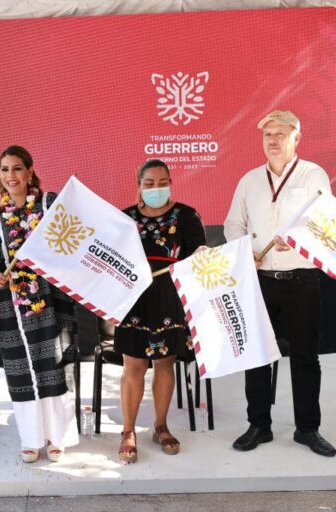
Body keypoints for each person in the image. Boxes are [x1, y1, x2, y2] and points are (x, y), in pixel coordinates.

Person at [224, 110, 336, 457]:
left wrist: (301, 239)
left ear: (296, 138)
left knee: (305, 356)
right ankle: (259, 425)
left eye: (281, 134)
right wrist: (244, 253)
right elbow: (233, 224)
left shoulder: (313, 175)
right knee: (257, 356)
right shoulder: (250, 180)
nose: (273, 140)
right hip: (260, 280)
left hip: (302, 279)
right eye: (268, 134)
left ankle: (307, 428)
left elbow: (327, 225)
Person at [0, 145, 78, 463]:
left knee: (54, 365)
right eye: (5, 169)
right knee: (22, 370)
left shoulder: (50, 205)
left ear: (30, 171)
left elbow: (72, 240)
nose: (11, 176)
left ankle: (56, 437)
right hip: (12, 304)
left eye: (17, 168)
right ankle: (31, 439)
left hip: (52, 300)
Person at [114, 159, 206, 463]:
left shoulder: (187, 216)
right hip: (133, 302)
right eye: (149, 183)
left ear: (170, 182)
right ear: (138, 185)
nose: (156, 188)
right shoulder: (124, 218)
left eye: (162, 182)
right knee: (134, 368)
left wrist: (202, 254)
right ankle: (128, 431)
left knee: (165, 365)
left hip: (171, 300)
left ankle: (161, 425)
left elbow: (198, 257)